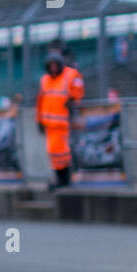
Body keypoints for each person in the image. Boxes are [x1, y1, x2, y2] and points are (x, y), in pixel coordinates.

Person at [36, 51, 84, 190]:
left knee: (62, 152)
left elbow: (78, 88)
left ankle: (64, 180)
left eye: (55, 65)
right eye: (51, 66)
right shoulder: (45, 80)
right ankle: (60, 180)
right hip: (49, 124)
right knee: (53, 152)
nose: (53, 68)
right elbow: (40, 102)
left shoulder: (69, 75)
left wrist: (73, 99)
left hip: (61, 123)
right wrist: (39, 120)